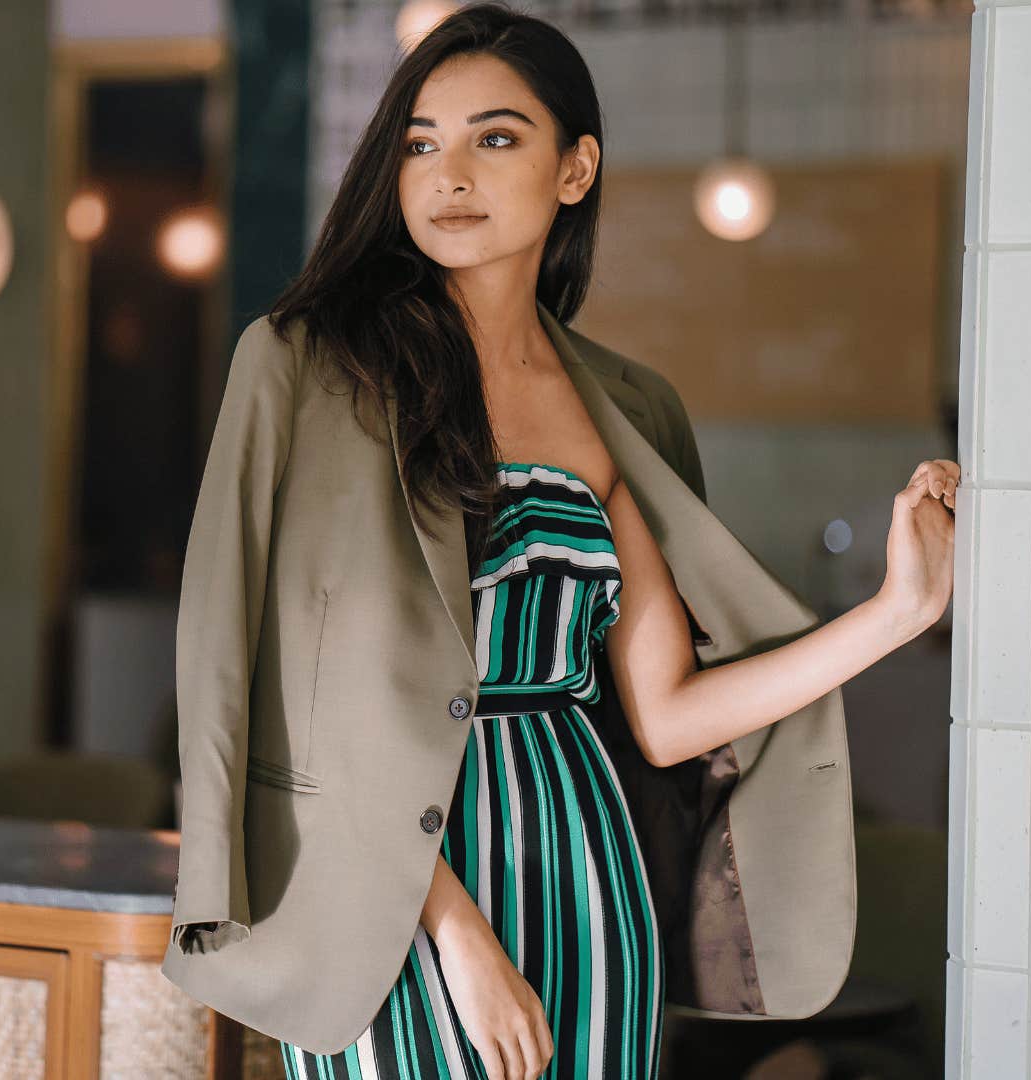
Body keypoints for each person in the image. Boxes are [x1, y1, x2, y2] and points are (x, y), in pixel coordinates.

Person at [164, 4, 958, 1078]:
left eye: (495, 138)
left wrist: (892, 616)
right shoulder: (305, 368)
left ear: (575, 169)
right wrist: (453, 933)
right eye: (418, 142)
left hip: (586, 872)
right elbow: (266, 681)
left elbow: (669, 717)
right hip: (384, 898)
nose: (449, 174)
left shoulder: (627, 405)